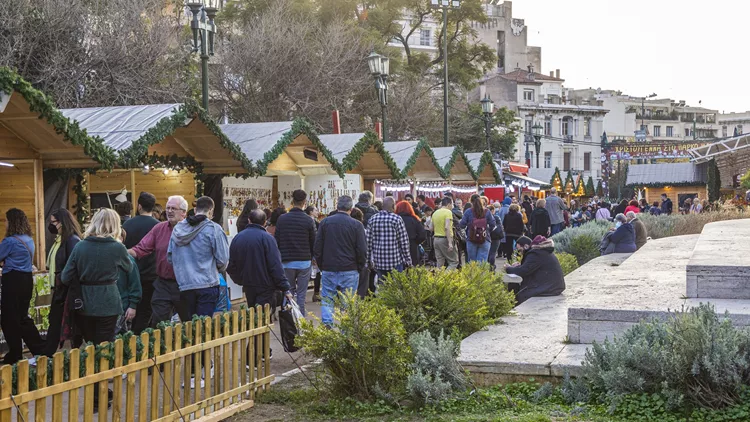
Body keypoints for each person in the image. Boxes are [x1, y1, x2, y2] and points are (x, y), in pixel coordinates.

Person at [61, 208, 131, 409]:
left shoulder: (81, 246)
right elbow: (129, 268)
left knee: (90, 348)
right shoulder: (117, 248)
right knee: (105, 348)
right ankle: (101, 393)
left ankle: (96, 393)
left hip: (84, 304)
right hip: (109, 302)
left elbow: (66, 277)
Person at [227, 209, 293, 357]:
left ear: (249, 220)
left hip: (248, 285)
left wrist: (240, 280)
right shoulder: (268, 239)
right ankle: (256, 352)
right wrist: (285, 287)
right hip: (265, 285)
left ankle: (262, 350)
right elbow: (275, 265)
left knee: (256, 317)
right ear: (265, 222)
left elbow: (231, 265)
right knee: (262, 319)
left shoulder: (238, 238)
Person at [129, 195, 188, 326]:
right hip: (163, 284)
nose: (170, 211)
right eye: (168, 208)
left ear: (183, 212)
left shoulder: (192, 230)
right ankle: (162, 345)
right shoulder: (159, 228)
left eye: (174, 208)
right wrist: (120, 252)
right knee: (159, 322)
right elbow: (141, 248)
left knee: (189, 322)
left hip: (185, 284)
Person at [168, 196, 228, 320]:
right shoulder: (214, 229)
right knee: (203, 328)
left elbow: (170, 257)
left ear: (195, 210)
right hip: (207, 283)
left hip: (184, 285)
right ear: (211, 211)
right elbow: (223, 260)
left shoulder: (177, 230)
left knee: (188, 326)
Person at [313, 196, 367, 326]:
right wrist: (359, 267)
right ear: (351, 208)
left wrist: (322, 265)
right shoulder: (357, 225)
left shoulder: (325, 223)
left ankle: (327, 324)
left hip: (329, 267)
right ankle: (346, 330)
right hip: (350, 268)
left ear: (337, 206)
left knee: (327, 298)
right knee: (347, 302)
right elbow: (362, 250)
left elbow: (317, 247)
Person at [0, 209, 45, 364]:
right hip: (26, 280)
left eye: (6, 220)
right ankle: (40, 349)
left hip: (12, 280)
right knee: (22, 317)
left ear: (11, 222)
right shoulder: (29, 239)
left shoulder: (10, 241)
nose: (5, 223)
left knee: (8, 319)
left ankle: (15, 354)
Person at [42, 208, 82, 357]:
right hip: (59, 288)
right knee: (56, 321)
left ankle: (49, 353)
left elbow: (73, 266)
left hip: (66, 289)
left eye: (54, 222)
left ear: (62, 222)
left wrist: (64, 282)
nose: (51, 225)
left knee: (61, 321)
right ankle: (48, 352)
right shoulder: (59, 241)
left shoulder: (71, 241)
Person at [122, 192, 160, 334]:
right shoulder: (159, 227)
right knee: (145, 311)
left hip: (131, 274)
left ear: (138, 206)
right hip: (151, 276)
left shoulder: (127, 224)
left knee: (130, 309)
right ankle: (141, 339)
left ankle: (130, 338)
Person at [274, 190, 316, 317]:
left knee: (288, 292)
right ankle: (301, 322)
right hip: (304, 261)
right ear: (304, 202)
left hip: (286, 262)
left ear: (292, 201)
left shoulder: (282, 219)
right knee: (301, 295)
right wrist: (313, 257)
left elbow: (277, 240)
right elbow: (313, 241)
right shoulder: (309, 220)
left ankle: (288, 320)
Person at [504, 235, 566, 306]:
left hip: (549, 288)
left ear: (526, 246)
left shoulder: (535, 254)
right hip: (553, 286)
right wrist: (519, 266)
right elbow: (529, 267)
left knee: (521, 294)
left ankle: (514, 307)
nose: (520, 253)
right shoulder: (541, 252)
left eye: (520, 250)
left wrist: (508, 268)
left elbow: (523, 271)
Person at [367, 197, 412, 281]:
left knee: (382, 288)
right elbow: (404, 242)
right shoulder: (397, 219)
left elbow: (368, 243)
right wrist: (408, 260)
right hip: (395, 261)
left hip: (379, 262)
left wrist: (368, 261)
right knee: (396, 288)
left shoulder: (372, 219)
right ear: (393, 206)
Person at [116, 229, 142, 334]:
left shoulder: (128, 259)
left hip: (123, 306)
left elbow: (135, 283)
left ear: (121, 239)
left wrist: (132, 306)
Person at [460, 194, 496, 263]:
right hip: (485, 239)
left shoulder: (468, 211)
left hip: (471, 238)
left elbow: (462, 225)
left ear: (471, 202)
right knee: (482, 263)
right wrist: (487, 231)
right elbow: (493, 224)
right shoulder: (487, 211)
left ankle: (473, 274)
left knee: (472, 263)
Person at [395, 200, 427, 267]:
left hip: (397, 247)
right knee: (411, 268)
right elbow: (423, 235)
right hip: (412, 246)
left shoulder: (395, 219)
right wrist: (416, 242)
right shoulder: (414, 219)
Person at [432, 197, 459, 269]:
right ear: (449, 204)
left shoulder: (435, 213)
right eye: (452, 204)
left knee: (440, 263)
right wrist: (450, 243)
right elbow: (447, 227)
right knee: (453, 262)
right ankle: (445, 278)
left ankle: (438, 279)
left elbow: (431, 228)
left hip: (436, 239)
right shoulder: (448, 212)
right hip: (445, 239)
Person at [305, 206, 322, 302]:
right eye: (316, 210)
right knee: (316, 272)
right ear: (311, 212)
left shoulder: (315, 223)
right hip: (312, 251)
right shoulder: (315, 223)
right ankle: (316, 293)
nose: (317, 212)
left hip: (305, 251)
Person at [488, 204, 505, 269]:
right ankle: (492, 266)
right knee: (493, 252)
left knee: (489, 252)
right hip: (496, 237)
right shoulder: (496, 217)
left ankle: (489, 265)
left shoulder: (485, 218)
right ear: (492, 210)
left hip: (488, 236)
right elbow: (501, 227)